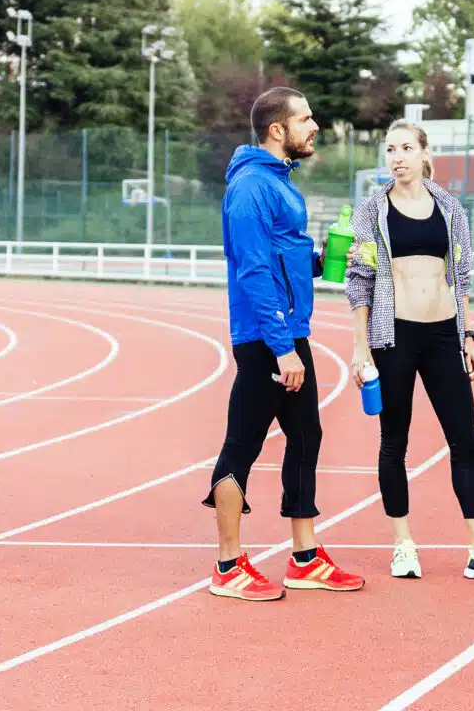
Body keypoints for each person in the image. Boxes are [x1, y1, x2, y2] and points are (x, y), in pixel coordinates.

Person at [343, 119, 474, 582]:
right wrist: (359, 349)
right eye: (390, 149)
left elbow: (462, 276)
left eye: (406, 148)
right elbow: (359, 280)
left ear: (424, 152)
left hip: (442, 335)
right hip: (392, 338)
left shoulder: (450, 208)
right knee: (395, 441)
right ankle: (403, 545)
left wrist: (467, 336)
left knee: (465, 441)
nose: (397, 157)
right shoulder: (371, 209)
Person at [202, 87, 366, 602]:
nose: (314, 126)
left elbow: (281, 255)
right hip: (265, 339)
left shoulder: (278, 182)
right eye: (306, 119)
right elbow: (252, 270)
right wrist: (281, 348)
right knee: (242, 445)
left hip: (290, 332)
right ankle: (228, 566)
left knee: (306, 437)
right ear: (278, 129)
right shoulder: (251, 187)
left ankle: (304, 557)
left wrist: (321, 261)